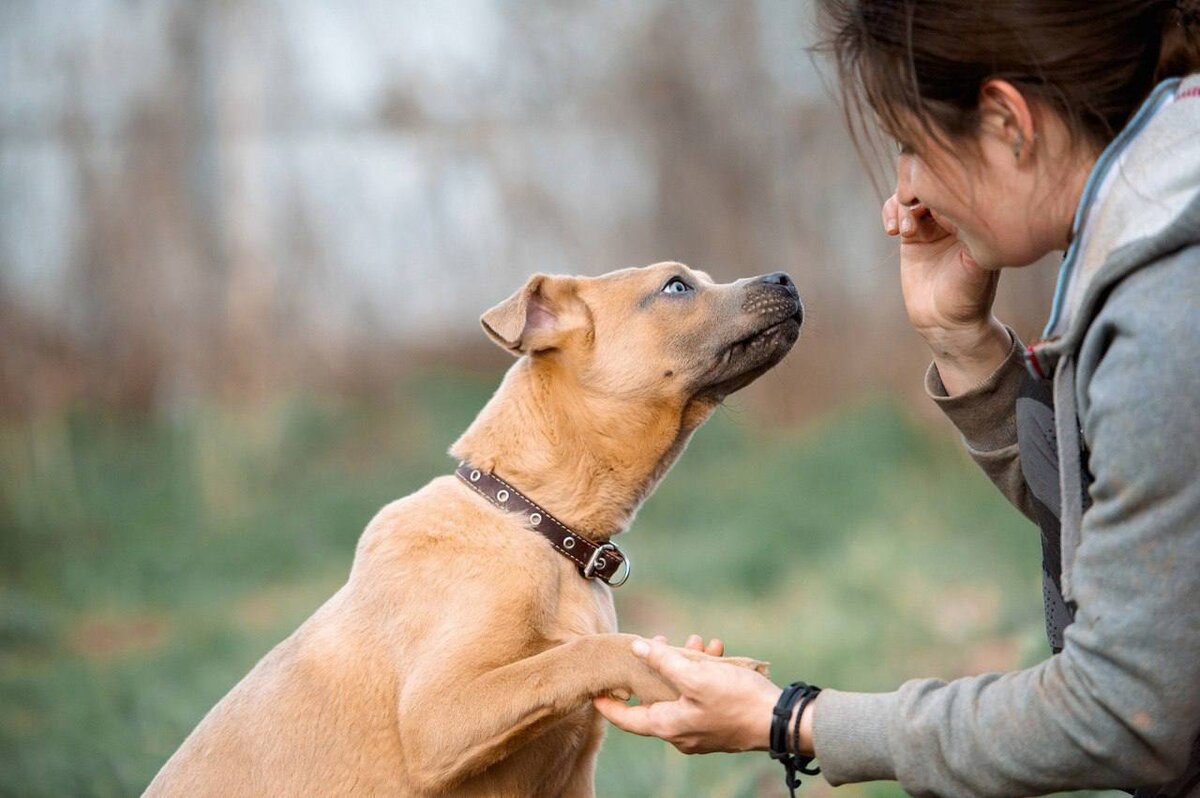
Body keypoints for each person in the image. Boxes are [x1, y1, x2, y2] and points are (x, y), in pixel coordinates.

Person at [593, 1, 1200, 795]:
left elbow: (1123, 715)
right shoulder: (1161, 220)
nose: (906, 188)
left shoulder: (1167, 302)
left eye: (911, 145)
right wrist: (961, 340)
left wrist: (791, 719)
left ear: (1008, 122)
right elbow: (1139, 541)